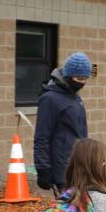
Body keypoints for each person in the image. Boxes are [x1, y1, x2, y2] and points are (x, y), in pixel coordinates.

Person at [35, 52, 91, 193]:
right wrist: (43, 168)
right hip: (62, 169)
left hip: (79, 165)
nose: (82, 83)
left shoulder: (75, 97)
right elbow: (42, 137)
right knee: (70, 211)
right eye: (79, 78)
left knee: (80, 211)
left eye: (85, 79)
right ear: (68, 75)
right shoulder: (50, 99)